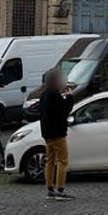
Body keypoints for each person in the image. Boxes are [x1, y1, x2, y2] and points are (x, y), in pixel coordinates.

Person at [38, 67, 76, 200]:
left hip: (47, 133)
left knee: (50, 161)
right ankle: (60, 189)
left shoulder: (44, 95)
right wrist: (70, 96)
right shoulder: (54, 96)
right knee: (62, 161)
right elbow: (65, 110)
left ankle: (50, 188)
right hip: (58, 133)